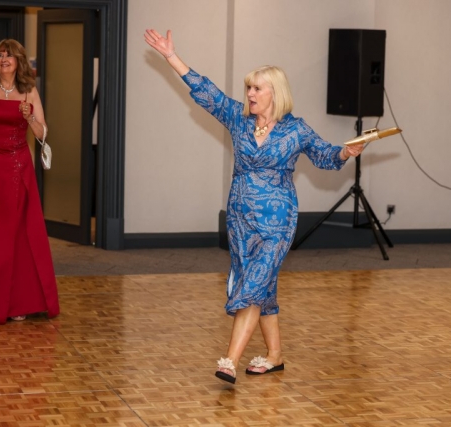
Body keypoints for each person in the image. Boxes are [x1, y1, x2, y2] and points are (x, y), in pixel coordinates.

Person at [144, 28, 365, 384]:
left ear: (276, 93)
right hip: (240, 219)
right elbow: (207, 92)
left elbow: (326, 155)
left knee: (251, 286)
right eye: (248, 88)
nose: (249, 94)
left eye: (257, 88)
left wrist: (345, 152)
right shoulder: (239, 119)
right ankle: (275, 356)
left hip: (277, 221)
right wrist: (171, 56)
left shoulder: (295, 130)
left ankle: (229, 361)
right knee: (264, 287)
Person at [0, 39, 60, 324]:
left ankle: (16, 302)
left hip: (16, 169)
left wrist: (30, 117)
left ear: (19, 60)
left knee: (18, 234)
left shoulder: (29, 91)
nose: (4, 59)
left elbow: (42, 133)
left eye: (9, 55)